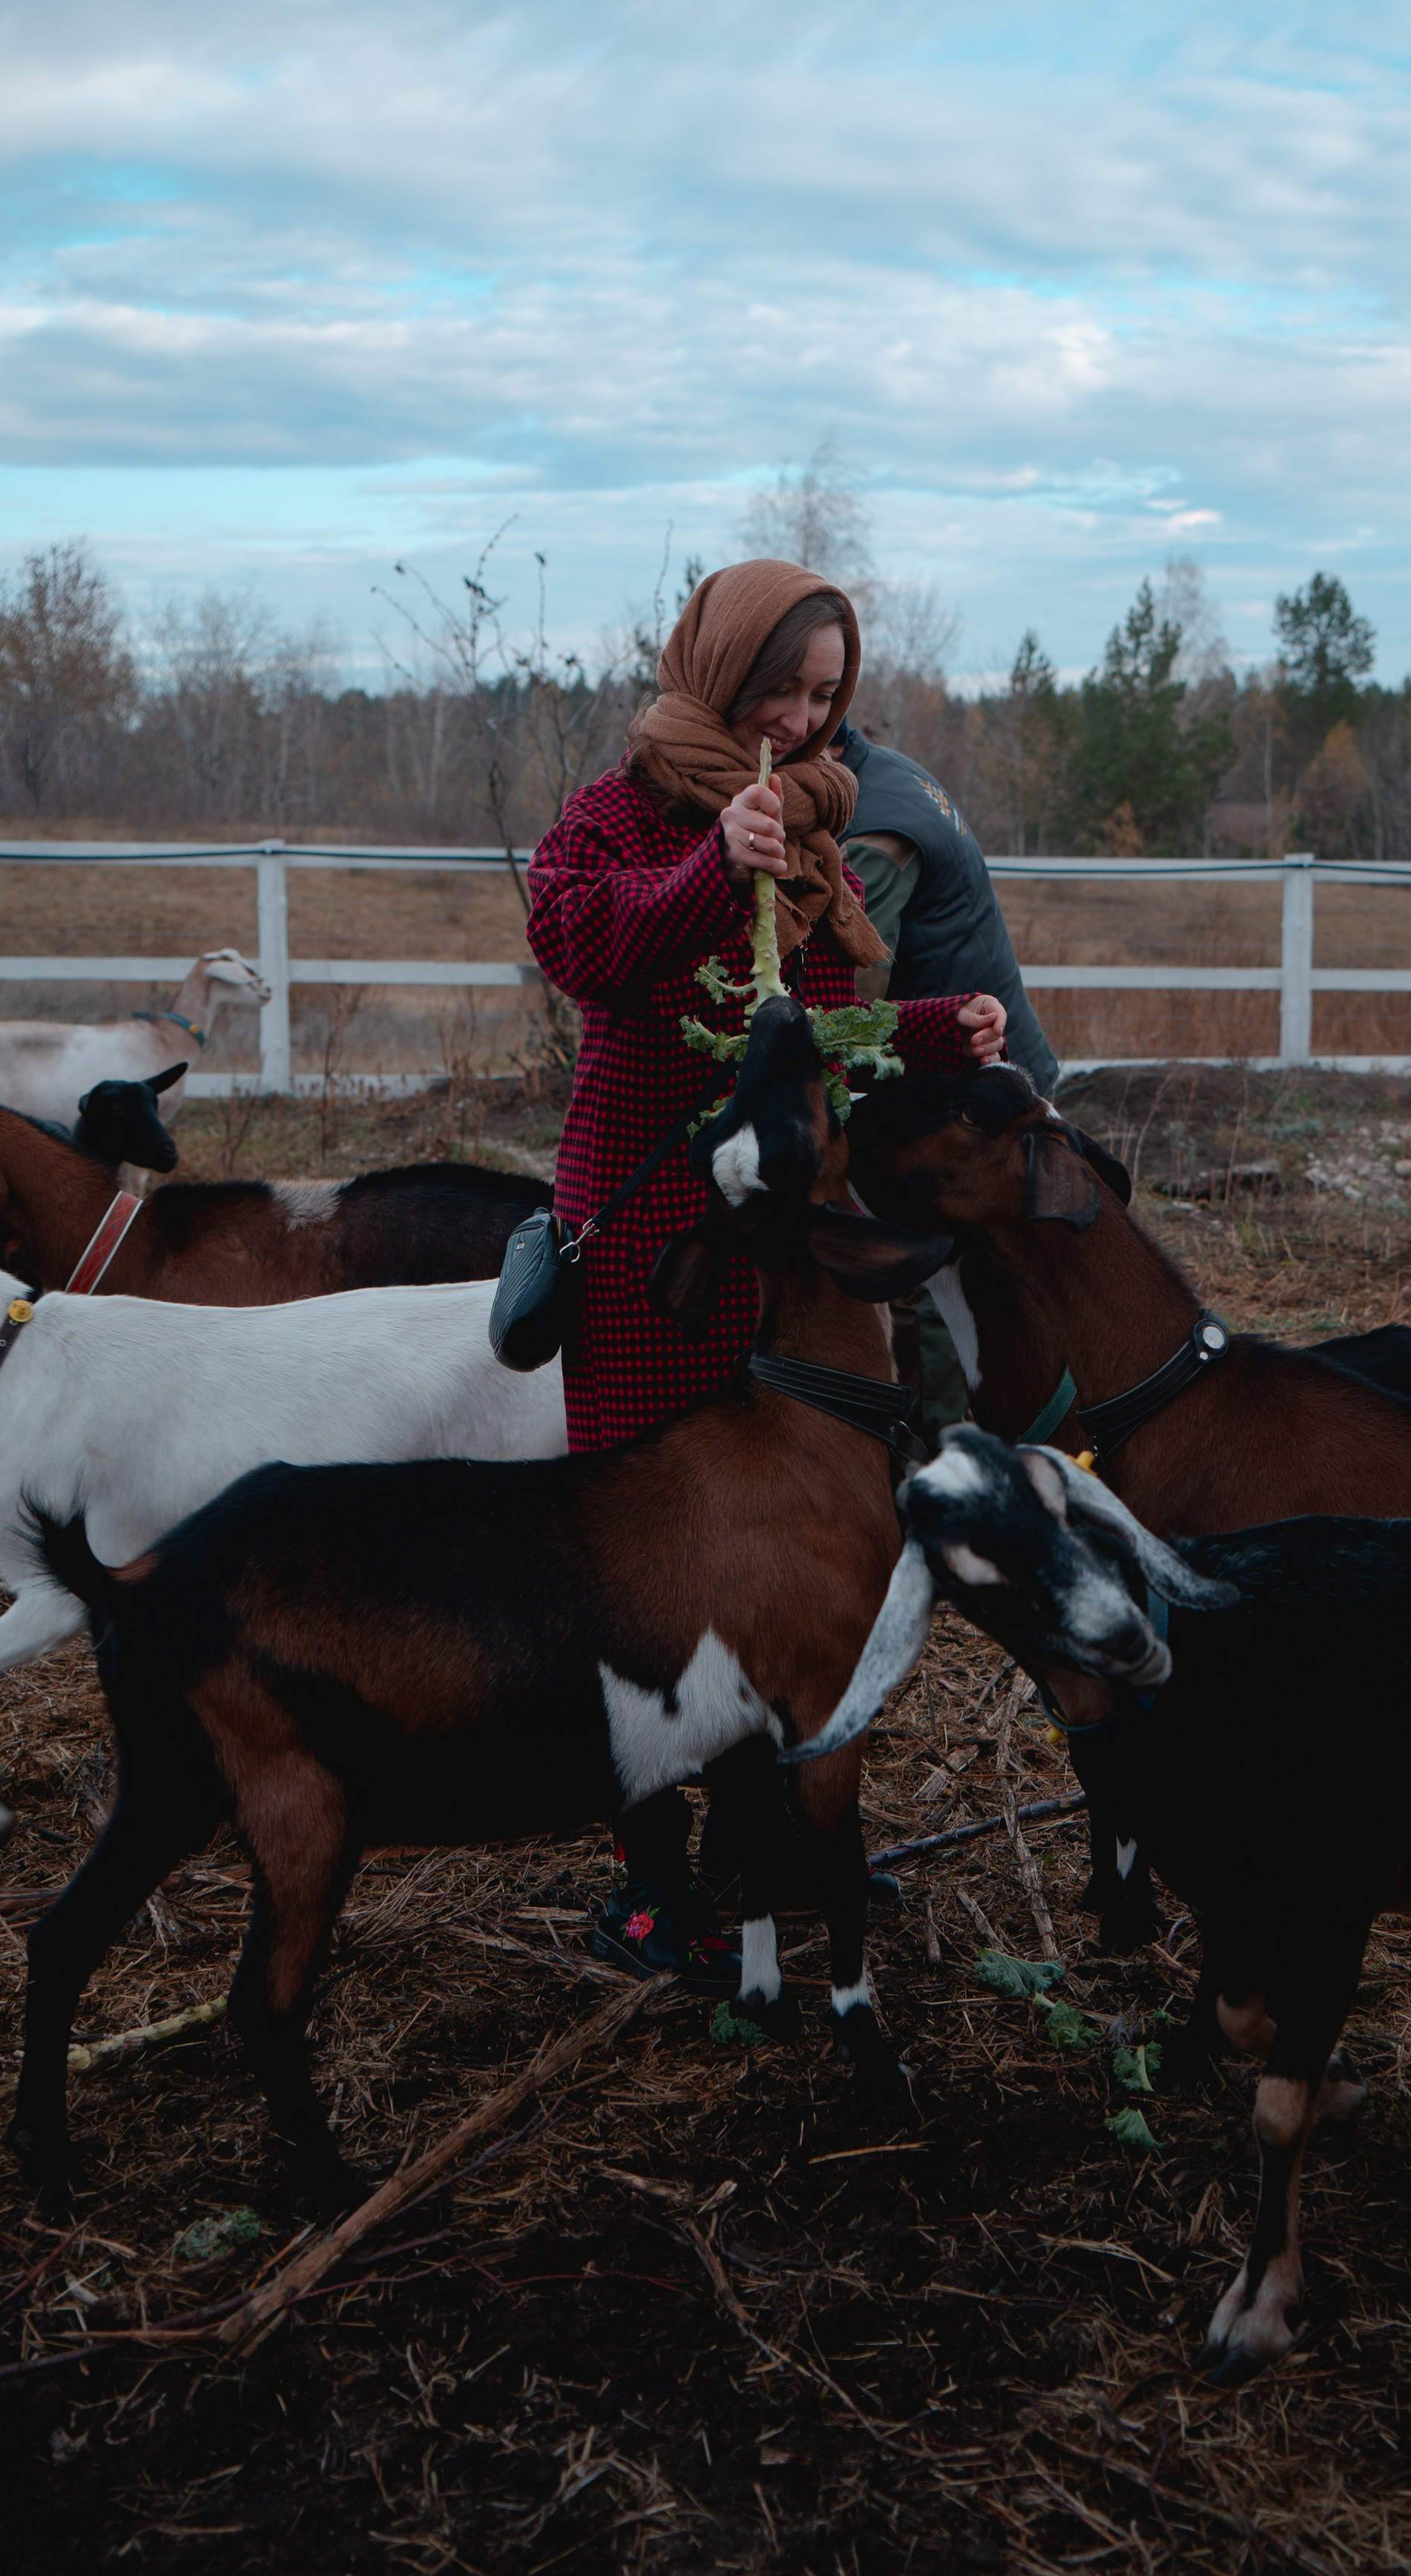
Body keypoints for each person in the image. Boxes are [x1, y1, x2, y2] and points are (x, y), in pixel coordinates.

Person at [525, 558, 1005, 1979]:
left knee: (764, 1547)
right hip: (645, 1243)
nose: (800, 722)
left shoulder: (814, 831)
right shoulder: (612, 816)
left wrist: (936, 1032)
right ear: (718, 674)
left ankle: (762, 1850)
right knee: (648, 1562)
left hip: (770, 1259)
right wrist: (706, 870)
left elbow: (814, 1037)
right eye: (778, 691)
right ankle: (648, 1886)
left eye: (825, 697)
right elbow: (581, 949)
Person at [835, 717, 1059, 1429]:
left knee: (935, 1266)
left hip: (964, 1091)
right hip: (986, 1066)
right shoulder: (887, 775)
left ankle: (944, 1446)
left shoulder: (873, 833)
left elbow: (848, 998)